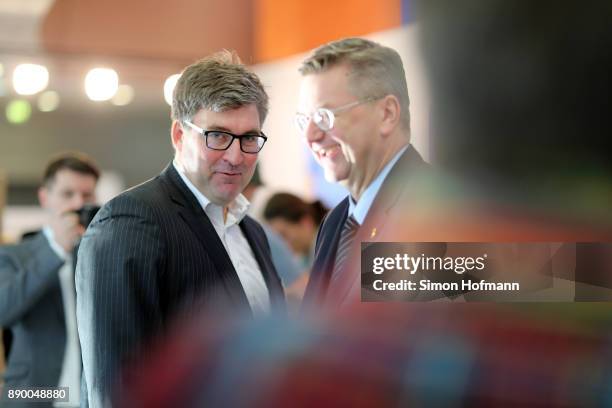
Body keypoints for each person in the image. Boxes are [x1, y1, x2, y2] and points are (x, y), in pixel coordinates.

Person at [76, 51, 285, 407]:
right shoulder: (131, 221)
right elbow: (117, 387)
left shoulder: (251, 231)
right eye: (218, 136)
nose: (236, 157)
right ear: (178, 134)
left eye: (249, 138)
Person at [295, 38, 432, 309]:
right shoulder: (334, 222)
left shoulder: (441, 215)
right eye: (305, 120)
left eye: (325, 116)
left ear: (387, 113)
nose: (310, 136)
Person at [0, 153, 100, 407]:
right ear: (45, 197)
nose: (78, 203)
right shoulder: (15, 254)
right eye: (68, 194)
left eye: (86, 195)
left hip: (89, 397)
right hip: (31, 396)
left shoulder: (99, 255)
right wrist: (56, 248)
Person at [263, 192, 327, 270]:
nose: (281, 244)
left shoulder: (332, 249)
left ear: (306, 223)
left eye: (283, 235)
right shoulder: (304, 259)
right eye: (276, 239)